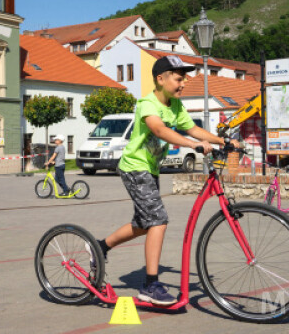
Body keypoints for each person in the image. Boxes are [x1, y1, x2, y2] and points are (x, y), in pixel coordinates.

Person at [92, 55, 241, 305]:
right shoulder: (147, 104)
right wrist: (194, 145)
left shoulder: (176, 106)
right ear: (160, 79)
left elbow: (193, 128)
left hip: (150, 169)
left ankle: (101, 246)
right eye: (178, 79)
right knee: (158, 220)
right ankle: (150, 285)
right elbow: (160, 130)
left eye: (184, 79)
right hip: (134, 167)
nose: (183, 84)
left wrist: (221, 141)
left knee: (144, 223)